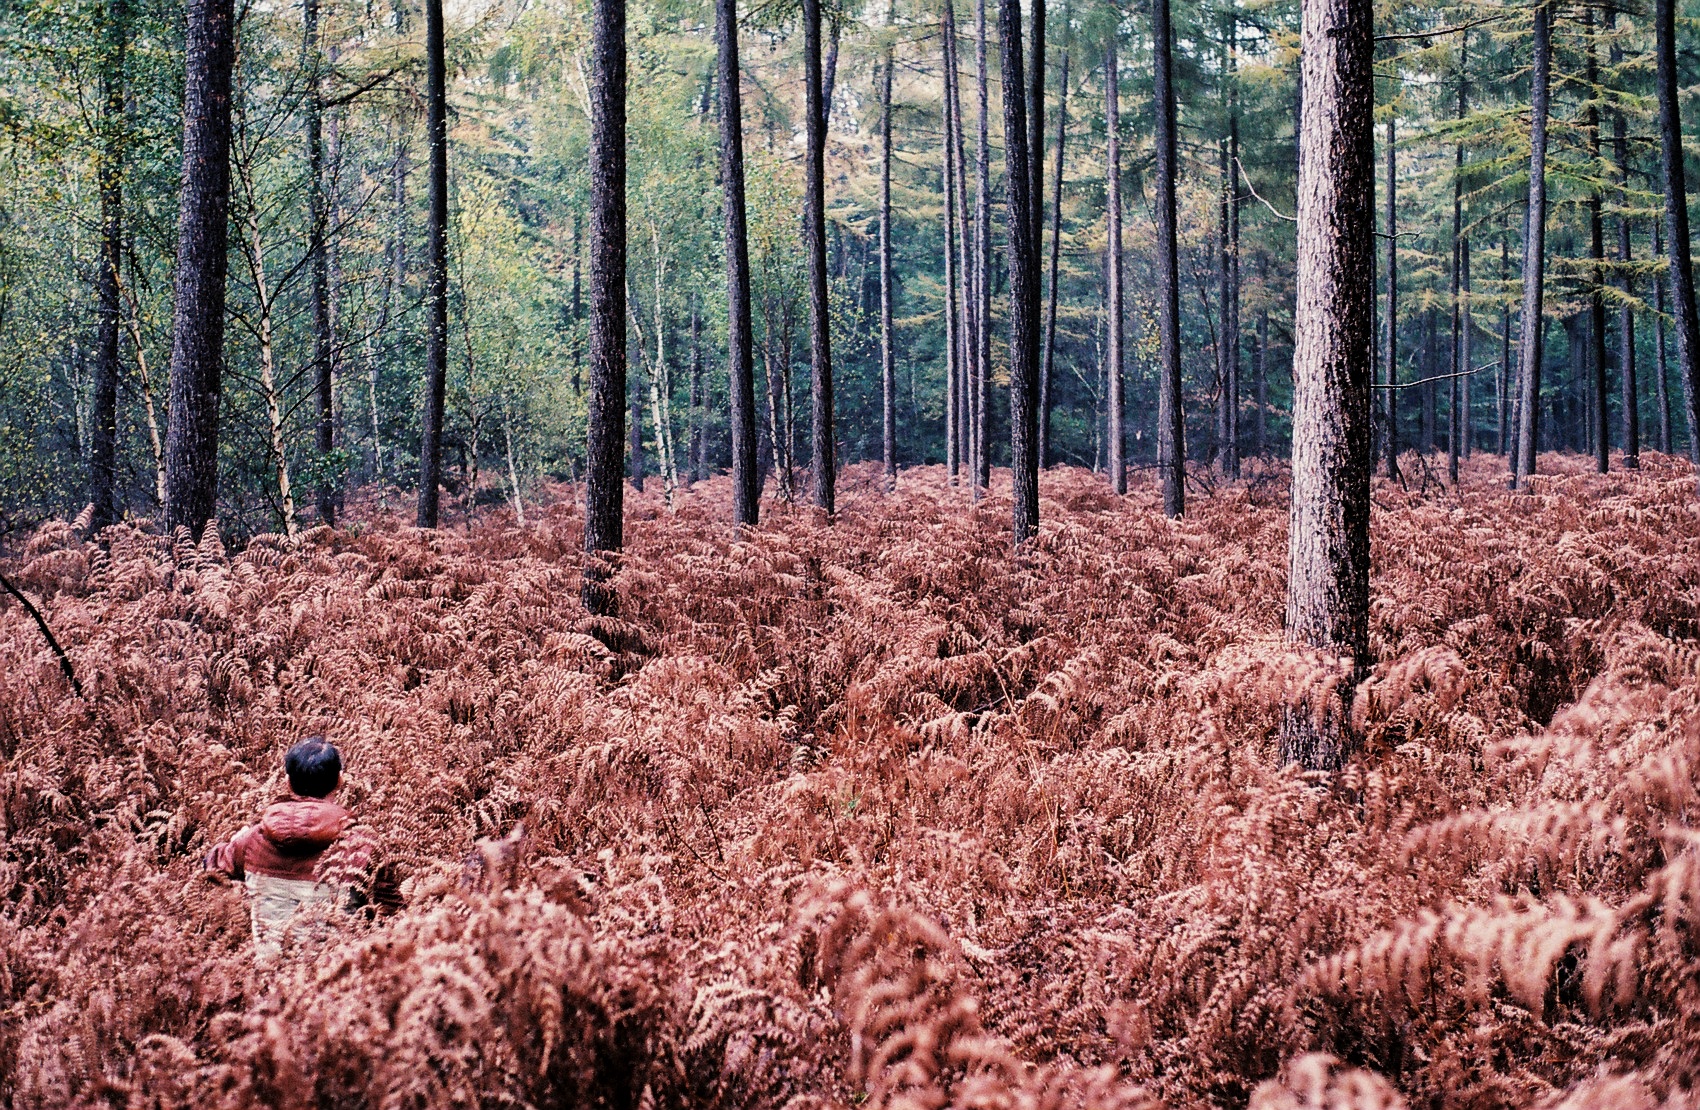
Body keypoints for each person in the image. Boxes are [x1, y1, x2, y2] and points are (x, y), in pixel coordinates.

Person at [205, 737, 374, 961]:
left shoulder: (253, 839)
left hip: (270, 982)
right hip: (338, 981)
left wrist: (236, 843)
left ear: (288, 782)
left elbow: (211, 865)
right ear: (340, 780)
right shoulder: (361, 845)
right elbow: (392, 913)